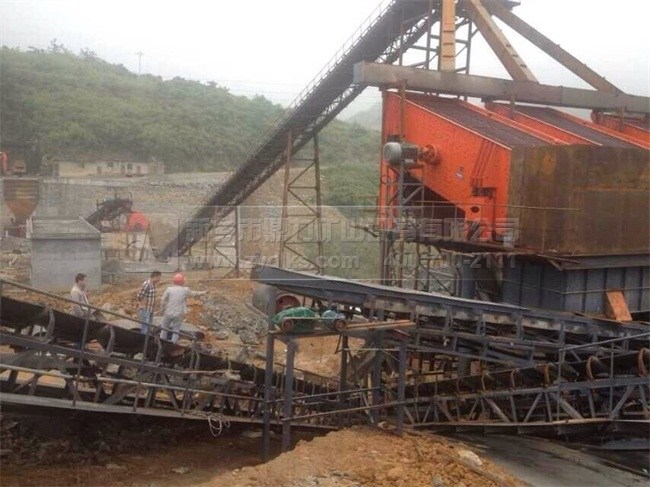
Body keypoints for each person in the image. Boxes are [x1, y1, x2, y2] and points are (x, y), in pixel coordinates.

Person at [159, 273, 205, 344]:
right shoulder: (185, 290)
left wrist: (162, 309)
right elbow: (194, 293)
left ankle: (161, 343)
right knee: (176, 330)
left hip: (168, 312)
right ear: (182, 281)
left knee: (164, 328)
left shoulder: (169, 289)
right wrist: (204, 292)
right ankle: (173, 343)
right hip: (178, 314)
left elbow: (163, 300)